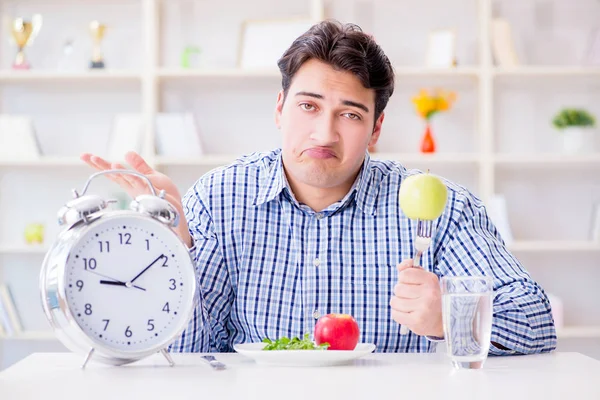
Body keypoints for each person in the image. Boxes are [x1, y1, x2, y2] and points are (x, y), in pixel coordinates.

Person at [82, 20, 556, 354]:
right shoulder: (219, 198)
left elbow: (538, 321)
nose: (325, 134)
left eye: (350, 114)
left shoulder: (441, 208)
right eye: (308, 106)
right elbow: (188, 354)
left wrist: (450, 317)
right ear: (279, 108)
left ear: (375, 129)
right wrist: (175, 246)